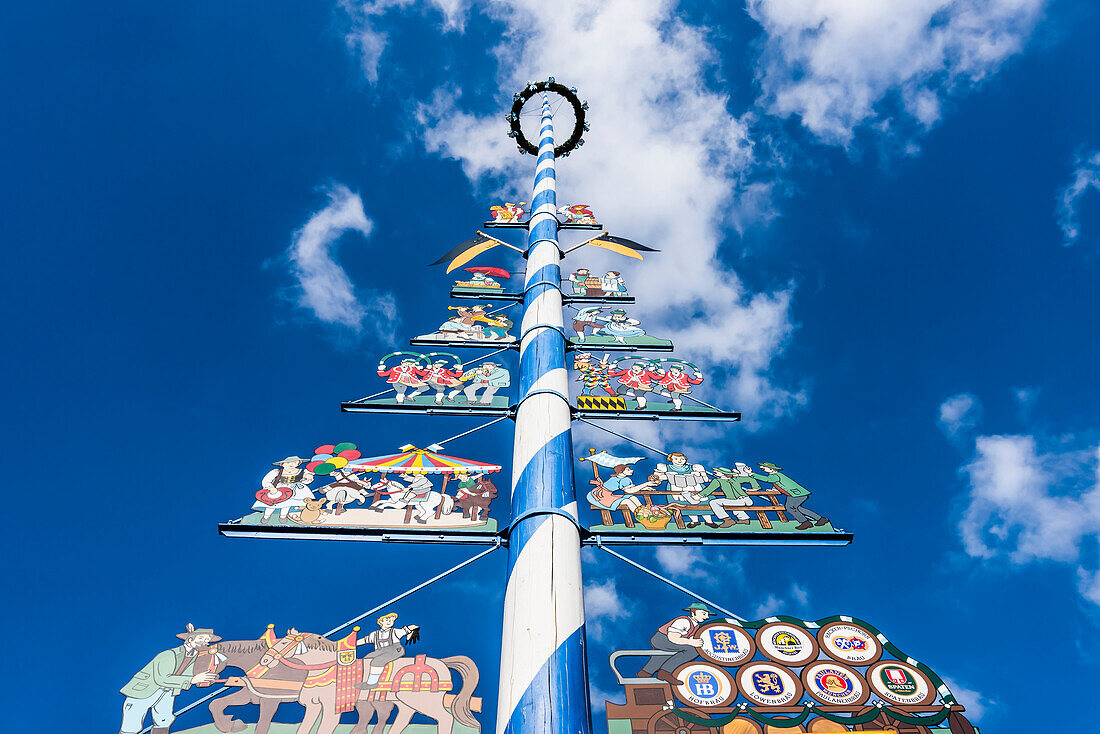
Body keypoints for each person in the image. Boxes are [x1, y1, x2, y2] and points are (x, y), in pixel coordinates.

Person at [119, 624, 221, 734]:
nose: (205, 642)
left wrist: (203, 680)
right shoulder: (168, 655)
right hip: (143, 691)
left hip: (168, 691)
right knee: (131, 726)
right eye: (201, 638)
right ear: (189, 640)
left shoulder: (195, 657)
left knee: (164, 720)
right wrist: (193, 680)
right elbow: (162, 678)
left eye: (207, 639)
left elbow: (187, 677)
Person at [639, 603, 712, 685]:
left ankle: (645, 673)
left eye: (707, 614)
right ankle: (665, 672)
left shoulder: (696, 626)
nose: (707, 617)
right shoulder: (684, 621)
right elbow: (673, 638)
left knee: (663, 656)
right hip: (662, 639)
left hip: (670, 642)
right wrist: (691, 642)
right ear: (693, 612)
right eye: (704, 614)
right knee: (693, 650)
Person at [751, 462, 829, 531]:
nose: (763, 469)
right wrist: (773, 490)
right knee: (798, 509)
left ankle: (805, 522)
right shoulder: (776, 476)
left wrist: (752, 474)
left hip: (797, 495)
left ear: (772, 469)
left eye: (765, 468)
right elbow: (779, 484)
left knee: (790, 508)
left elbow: (767, 480)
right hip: (795, 494)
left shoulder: (775, 475)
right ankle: (820, 519)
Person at [355, 613, 420, 690]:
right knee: (366, 658)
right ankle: (364, 678)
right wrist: (352, 644)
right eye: (387, 619)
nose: (389, 621)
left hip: (394, 650)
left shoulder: (395, 632)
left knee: (377, 661)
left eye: (391, 620)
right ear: (380, 622)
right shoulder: (374, 634)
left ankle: (372, 683)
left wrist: (414, 630)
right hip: (380, 651)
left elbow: (412, 627)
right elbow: (364, 640)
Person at [253, 456, 315, 524]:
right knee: (272, 504)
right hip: (279, 490)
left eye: (295, 462)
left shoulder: (302, 472)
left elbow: (306, 481)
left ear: (298, 463)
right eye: (288, 462)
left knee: (287, 504)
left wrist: (308, 478)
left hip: (295, 491)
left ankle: (283, 516)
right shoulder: (277, 472)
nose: (291, 464)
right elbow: (266, 481)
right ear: (282, 464)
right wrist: (271, 488)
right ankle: (266, 516)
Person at [655, 453, 711, 527]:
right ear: (671, 459)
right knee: (685, 504)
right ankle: (694, 521)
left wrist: (703, 476)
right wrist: (666, 477)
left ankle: (709, 521)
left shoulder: (693, 467)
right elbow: (657, 478)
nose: (679, 461)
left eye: (682, 459)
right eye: (676, 459)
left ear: (685, 460)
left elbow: (705, 479)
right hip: (676, 488)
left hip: (695, 487)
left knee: (704, 503)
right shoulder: (666, 468)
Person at [587, 464, 658, 514]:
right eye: (628, 469)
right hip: (601, 497)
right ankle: (639, 515)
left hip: (609, 495)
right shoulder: (622, 480)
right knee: (627, 501)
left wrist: (644, 487)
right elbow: (629, 490)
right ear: (621, 471)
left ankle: (645, 511)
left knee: (633, 497)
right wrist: (646, 483)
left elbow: (632, 488)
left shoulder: (625, 479)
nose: (631, 470)